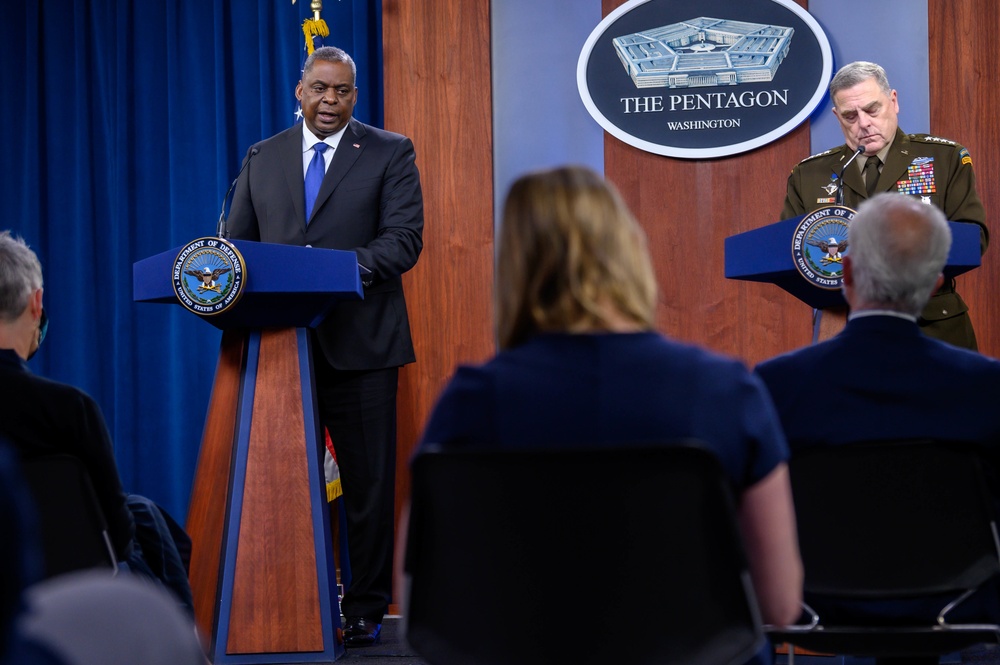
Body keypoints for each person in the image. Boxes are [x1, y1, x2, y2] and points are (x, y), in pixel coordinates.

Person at [416, 165, 803, 660]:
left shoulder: (468, 402)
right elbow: (780, 604)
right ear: (629, 252)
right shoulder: (726, 390)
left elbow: (424, 602)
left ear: (516, 267)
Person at [227, 45, 423, 646]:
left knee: (365, 487)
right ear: (299, 90)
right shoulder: (264, 156)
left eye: (341, 91)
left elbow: (404, 241)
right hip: (280, 349)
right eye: (319, 89)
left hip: (363, 348)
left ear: (355, 95)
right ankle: (286, 603)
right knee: (279, 482)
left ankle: (363, 610)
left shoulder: (390, 151)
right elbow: (234, 245)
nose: (329, 101)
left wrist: (328, 270)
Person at [755, 194, 1000, 658]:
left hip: (815, 603)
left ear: (844, 275)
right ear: (935, 285)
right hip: (963, 606)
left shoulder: (777, 386)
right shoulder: (987, 388)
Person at [0, 231, 194, 617]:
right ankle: (187, 644)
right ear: (36, 304)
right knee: (142, 515)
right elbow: (118, 542)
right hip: (72, 587)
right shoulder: (70, 409)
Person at [782, 61, 988, 350]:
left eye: (872, 109)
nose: (863, 123)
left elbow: (972, 238)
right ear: (836, 116)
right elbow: (788, 254)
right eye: (850, 116)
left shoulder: (944, 158)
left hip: (931, 327)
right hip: (846, 328)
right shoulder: (808, 175)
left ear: (893, 101)